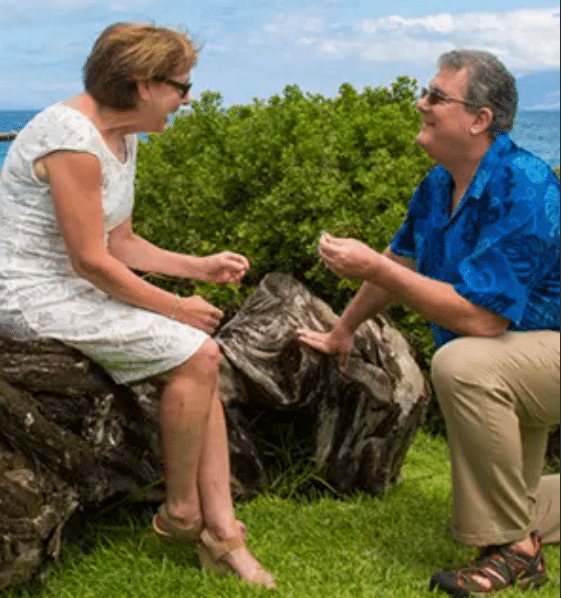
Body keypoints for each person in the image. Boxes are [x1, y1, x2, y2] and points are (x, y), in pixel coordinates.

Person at [0, 23, 275, 589]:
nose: (188, 98)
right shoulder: (71, 140)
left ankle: (217, 528)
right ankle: (185, 516)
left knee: (201, 357)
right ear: (143, 85)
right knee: (196, 349)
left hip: (72, 283)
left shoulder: (121, 139)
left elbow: (120, 243)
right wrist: (176, 307)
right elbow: (91, 261)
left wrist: (200, 266)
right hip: (29, 293)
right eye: (181, 85)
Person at [298, 49, 559, 596]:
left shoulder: (525, 186)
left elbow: (482, 321)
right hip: (522, 354)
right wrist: (342, 331)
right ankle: (520, 529)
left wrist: (370, 264)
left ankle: (516, 553)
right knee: (512, 497)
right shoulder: (439, 185)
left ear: (479, 119)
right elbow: (399, 264)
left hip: (529, 350)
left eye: (437, 97)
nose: (421, 103)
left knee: (463, 362)